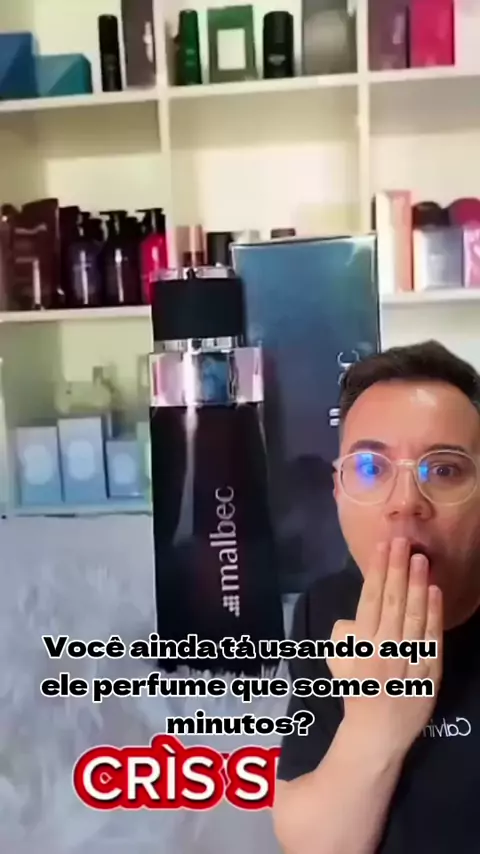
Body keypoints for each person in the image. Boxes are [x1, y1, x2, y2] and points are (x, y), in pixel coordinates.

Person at [273, 340, 480, 854]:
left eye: (444, 469)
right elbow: (316, 843)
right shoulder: (326, 609)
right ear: (338, 492)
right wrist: (376, 727)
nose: (406, 502)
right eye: (370, 468)